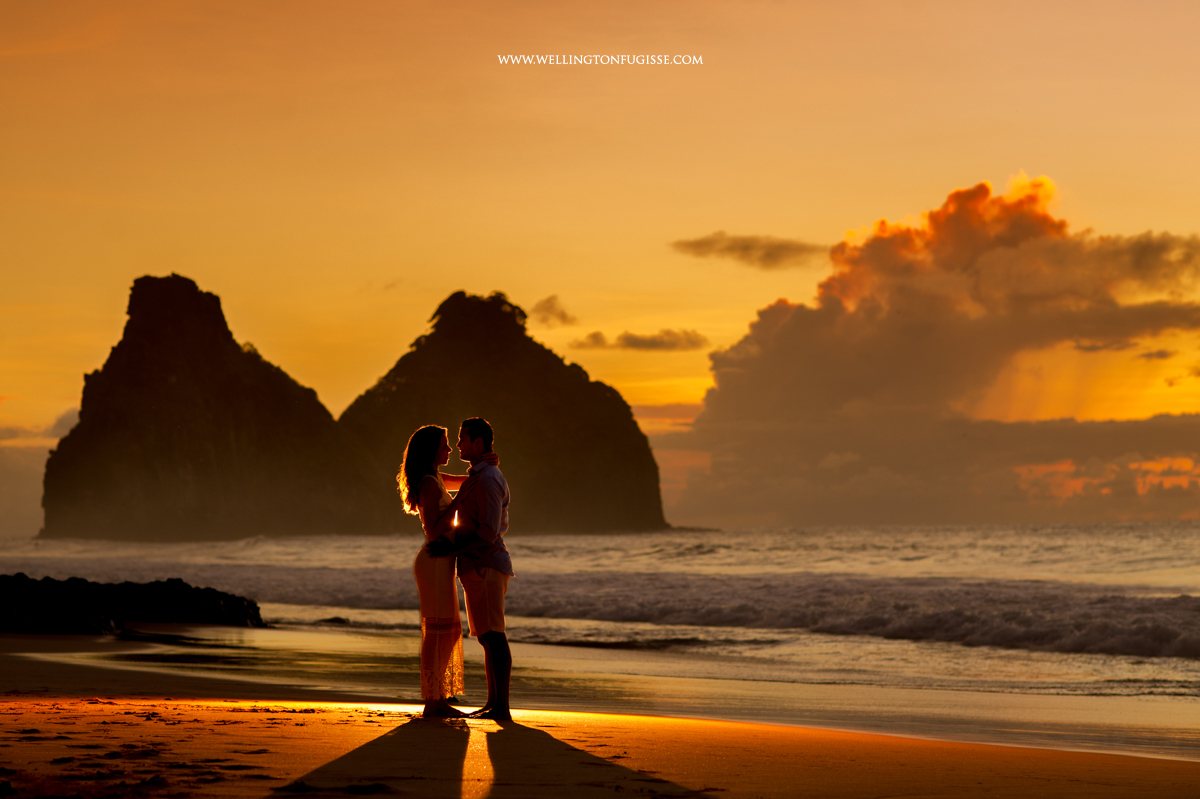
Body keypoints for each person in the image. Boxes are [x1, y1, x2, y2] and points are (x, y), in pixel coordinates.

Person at [398, 424, 497, 719]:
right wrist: (457, 504)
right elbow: (433, 530)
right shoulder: (429, 484)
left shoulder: (436, 479)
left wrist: (489, 463)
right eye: (445, 445)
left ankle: (437, 695)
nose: (450, 449)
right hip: (433, 562)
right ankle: (433, 700)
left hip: (441, 562)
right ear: (432, 450)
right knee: (437, 631)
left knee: (449, 631)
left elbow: (469, 481)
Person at [430, 417, 513, 721]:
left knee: (494, 636)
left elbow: (488, 532)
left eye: (463, 439)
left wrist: (451, 549)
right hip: (477, 565)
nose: (459, 445)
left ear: (478, 443)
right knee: (486, 637)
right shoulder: (478, 475)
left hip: (486, 564)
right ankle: (493, 704)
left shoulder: (488, 478)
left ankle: (501, 707)